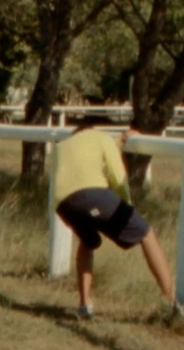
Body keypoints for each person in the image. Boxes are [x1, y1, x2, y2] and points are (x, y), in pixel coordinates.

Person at [51, 115, 176, 319]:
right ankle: (170, 300)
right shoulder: (102, 138)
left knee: (88, 241)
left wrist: (121, 140)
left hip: (63, 204)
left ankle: (84, 304)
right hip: (93, 193)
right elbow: (118, 177)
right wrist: (127, 206)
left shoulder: (64, 146)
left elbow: (89, 157)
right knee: (146, 233)